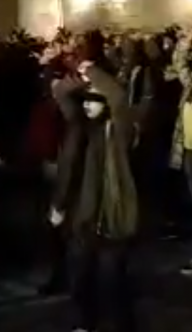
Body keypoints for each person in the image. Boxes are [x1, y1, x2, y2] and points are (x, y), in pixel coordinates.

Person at [51, 51, 141, 332]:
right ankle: (84, 323)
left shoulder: (118, 132)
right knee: (81, 279)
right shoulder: (80, 128)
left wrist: (93, 73)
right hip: (81, 216)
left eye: (95, 101)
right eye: (86, 101)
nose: (89, 106)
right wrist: (80, 78)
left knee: (113, 283)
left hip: (111, 215)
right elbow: (61, 93)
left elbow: (117, 98)